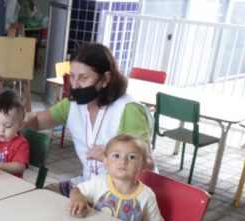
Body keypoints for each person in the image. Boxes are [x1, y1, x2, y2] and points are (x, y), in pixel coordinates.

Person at [23, 43, 154, 196]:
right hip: (89, 184)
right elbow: (38, 121)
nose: (75, 85)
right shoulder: (73, 105)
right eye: (72, 76)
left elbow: (148, 164)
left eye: (83, 78)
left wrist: (113, 155)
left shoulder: (128, 110)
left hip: (123, 193)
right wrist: (19, 119)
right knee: (45, 195)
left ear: (105, 79)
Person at [68, 134, 162, 221]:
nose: (123, 161)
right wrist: (77, 198)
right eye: (117, 156)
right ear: (105, 161)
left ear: (143, 165)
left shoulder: (147, 195)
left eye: (132, 157)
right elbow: (76, 190)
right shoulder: (99, 182)